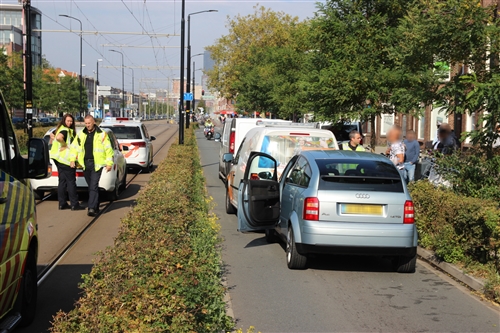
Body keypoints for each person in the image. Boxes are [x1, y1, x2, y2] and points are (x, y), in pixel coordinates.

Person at [70, 115, 114, 217]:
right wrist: (72, 160)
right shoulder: (81, 134)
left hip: (97, 164)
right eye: (86, 123)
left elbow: (108, 150)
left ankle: (91, 208)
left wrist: (109, 163)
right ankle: (96, 204)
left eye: (89, 123)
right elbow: (74, 147)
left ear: (93, 122)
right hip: (85, 164)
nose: (87, 125)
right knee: (91, 187)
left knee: (93, 186)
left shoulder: (102, 134)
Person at [50, 114, 83, 210]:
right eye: (68, 121)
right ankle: (74, 204)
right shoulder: (65, 130)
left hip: (58, 159)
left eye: (71, 121)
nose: (70, 123)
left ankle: (62, 203)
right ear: (64, 120)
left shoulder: (59, 128)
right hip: (66, 160)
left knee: (62, 181)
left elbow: (52, 135)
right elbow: (59, 137)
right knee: (71, 182)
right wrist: (64, 145)